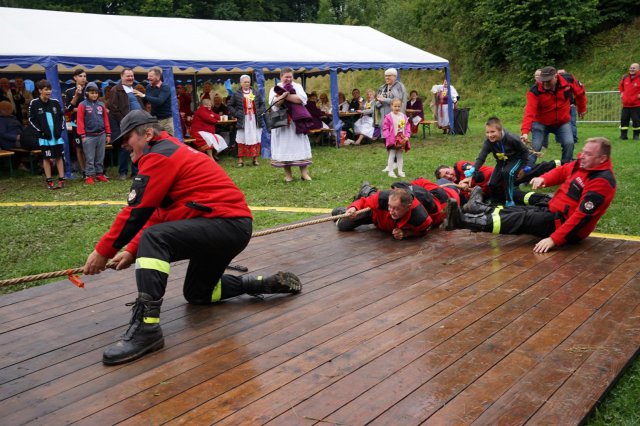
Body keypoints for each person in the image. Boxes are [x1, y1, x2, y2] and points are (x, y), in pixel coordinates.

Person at [82, 110, 302, 365]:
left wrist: (103, 251)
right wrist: (131, 249)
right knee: (199, 293)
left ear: (148, 133)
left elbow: (136, 212)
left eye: (127, 137)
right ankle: (258, 283)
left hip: (224, 224)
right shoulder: (168, 151)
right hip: (228, 226)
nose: (123, 145)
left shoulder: (159, 155)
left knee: (154, 239)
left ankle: (147, 329)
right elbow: (157, 212)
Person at [445, 137, 616, 253]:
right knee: (517, 212)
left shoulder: (602, 182)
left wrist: (554, 240)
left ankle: (462, 221)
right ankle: (474, 210)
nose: (582, 156)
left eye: (588, 154)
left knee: (521, 220)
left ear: (602, 159)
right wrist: (544, 179)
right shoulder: (583, 164)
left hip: (565, 226)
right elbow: (563, 171)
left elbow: (581, 217)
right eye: (583, 152)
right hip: (553, 210)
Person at [521, 66, 587, 167]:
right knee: (535, 147)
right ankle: (526, 172)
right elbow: (529, 111)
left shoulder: (568, 80)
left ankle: (565, 168)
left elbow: (580, 93)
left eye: (548, 81)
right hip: (541, 122)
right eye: (543, 81)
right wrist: (525, 132)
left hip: (562, 122)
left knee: (569, 143)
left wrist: (581, 109)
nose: (545, 84)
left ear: (556, 77)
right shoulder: (535, 90)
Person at [470, 117, 530, 206]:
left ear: (500, 130)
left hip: (516, 159)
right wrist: (473, 169)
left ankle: (509, 200)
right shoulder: (488, 142)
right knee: (492, 183)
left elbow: (525, 151)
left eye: (492, 132)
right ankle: (497, 198)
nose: (490, 135)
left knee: (507, 173)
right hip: (501, 161)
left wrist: (523, 168)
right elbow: (481, 157)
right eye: (487, 132)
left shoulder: (511, 138)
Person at [332, 186, 432, 239]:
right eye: (389, 206)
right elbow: (363, 202)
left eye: (396, 209)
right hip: (375, 214)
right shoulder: (382, 198)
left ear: (407, 207)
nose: (391, 212)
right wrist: (353, 208)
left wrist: (406, 233)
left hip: (383, 223)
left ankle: (369, 191)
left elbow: (424, 230)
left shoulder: (420, 218)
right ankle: (367, 191)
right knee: (343, 225)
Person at [268, 67, 313, 182]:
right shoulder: (274, 88)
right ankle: (288, 175)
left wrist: (284, 95)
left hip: (297, 121)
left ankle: (304, 174)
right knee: (285, 146)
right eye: (286, 77)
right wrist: (282, 97)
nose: (288, 79)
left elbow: (301, 99)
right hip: (282, 121)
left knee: (299, 144)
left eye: (290, 77)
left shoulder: (297, 86)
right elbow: (275, 105)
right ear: (281, 77)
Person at [28, 80, 66, 189]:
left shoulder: (55, 102)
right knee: (46, 158)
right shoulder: (34, 103)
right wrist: (41, 131)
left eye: (50, 89)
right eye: (46, 89)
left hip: (56, 136)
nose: (49, 92)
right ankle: (49, 180)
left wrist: (60, 129)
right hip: (44, 137)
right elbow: (31, 119)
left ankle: (62, 179)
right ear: (40, 90)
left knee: (59, 157)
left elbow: (61, 117)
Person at [108, 68, 145, 180]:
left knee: (137, 147)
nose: (130, 78)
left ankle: (135, 172)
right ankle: (122, 172)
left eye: (132, 76)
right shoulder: (116, 90)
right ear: (121, 77)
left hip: (138, 123)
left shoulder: (133, 89)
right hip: (126, 124)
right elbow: (114, 109)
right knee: (125, 148)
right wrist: (125, 122)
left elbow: (140, 105)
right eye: (128, 76)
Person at [77, 82, 111, 184]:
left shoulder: (101, 105)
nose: (94, 95)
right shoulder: (82, 105)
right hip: (88, 136)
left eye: (96, 93)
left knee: (100, 156)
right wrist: (82, 135)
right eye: (92, 93)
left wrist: (108, 134)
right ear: (87, 93)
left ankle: (99, 174)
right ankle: (89, 175)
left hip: (101, 134)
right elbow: (80, 121)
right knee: (89, 157)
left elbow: (106, 119)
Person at [228, 74, 265, 167]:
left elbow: (262, 104)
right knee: (241, 138)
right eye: (245, 82)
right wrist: (236, 113)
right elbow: (230, 105)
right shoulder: (237, 94)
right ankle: (240, 160)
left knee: (255, 137)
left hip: (254, 119)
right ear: (241, 83)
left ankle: (255, 159)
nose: (247, 83)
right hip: (243, 120)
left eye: (248, 82)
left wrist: (259, 111)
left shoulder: (255, 93)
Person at [135, 67, 173, 135]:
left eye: (151, 76)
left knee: (169, 141)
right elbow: (146, 100)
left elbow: (159, 101)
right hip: (154, 119)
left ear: (158, 77)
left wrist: (143, 96)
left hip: (166, 120)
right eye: (148, 76)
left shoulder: (165, 87)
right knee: (156, 140)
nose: (148, 78)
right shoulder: (148, 87)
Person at [64, 69, 88, 175]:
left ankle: (91, 169)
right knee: (79, 147)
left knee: (89, 146)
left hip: (89, 122)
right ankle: (83, 170)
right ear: (75, 78)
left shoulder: (90, 89)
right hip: (75, 122)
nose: (83, 78)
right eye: (80, 76)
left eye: (84, 76)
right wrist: (77, 95)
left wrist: (78, 108)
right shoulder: (69, 91)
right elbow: (69, 109)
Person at [382, 98, 411, 178]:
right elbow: (385, 128)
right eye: (395, 106)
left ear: (401, 106)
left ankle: (400, 171)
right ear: (391, 106)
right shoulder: (388, 117)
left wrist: (407, 136)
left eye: (399, 106)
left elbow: (407, 126)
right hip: (392, 139)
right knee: (391, 155)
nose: (397, 108)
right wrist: (388, 137)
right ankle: (390, 172)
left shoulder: (403, 116)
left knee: (400, 155)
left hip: (401, 139)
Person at [619, 63, 640, 140]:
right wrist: (621, 93)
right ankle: (623, 136)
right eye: (631, 68)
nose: (631, 69)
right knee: (623, 121)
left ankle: (636, 136)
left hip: (636, 105)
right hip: (626, 105)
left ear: (638, 69)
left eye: (634, 68)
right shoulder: (625, 77)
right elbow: (621, 86)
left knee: (636, 121)